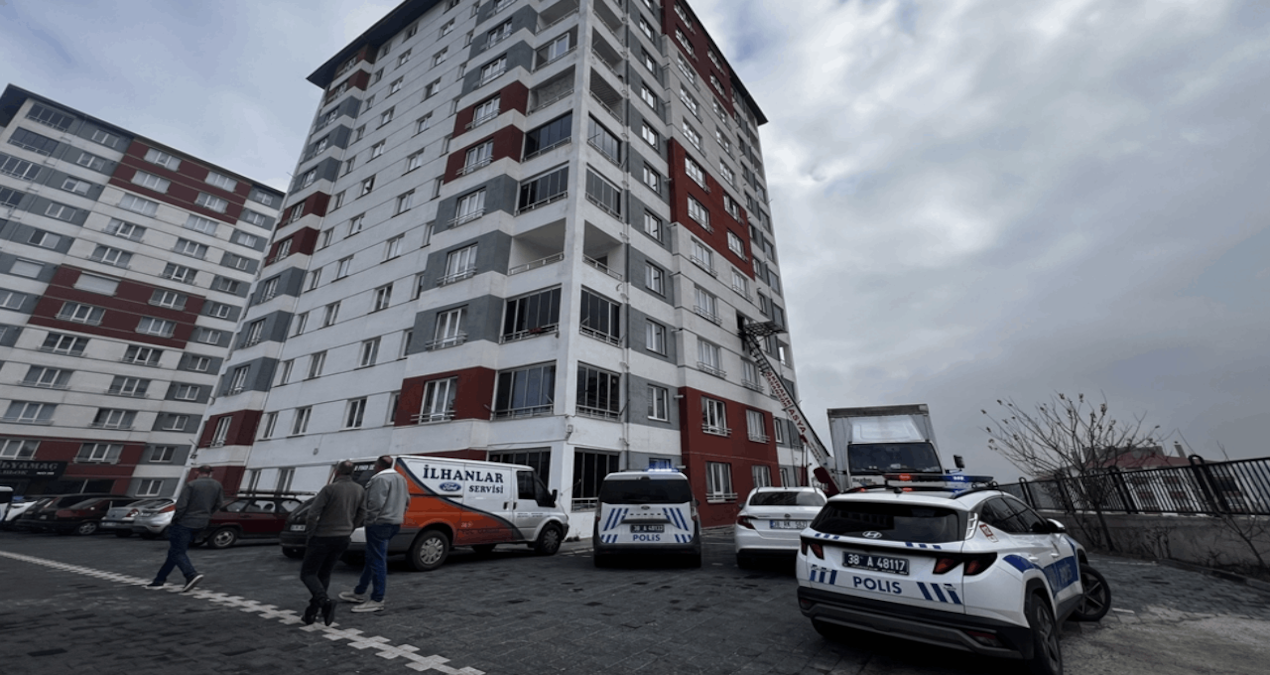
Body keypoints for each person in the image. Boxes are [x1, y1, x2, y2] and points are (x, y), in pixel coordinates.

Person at [340, 455, 408, 614]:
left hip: (379, 523)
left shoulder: (379, 479)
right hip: (394, 522)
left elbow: (375, 503)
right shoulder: (401, 479)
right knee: (373, 557)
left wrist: (369, 520)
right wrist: (398, 515)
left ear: (378, 466)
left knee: (377, 560)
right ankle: (359, 591)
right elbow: (407, 501)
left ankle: (377, 599)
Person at [302, 460, 365, 626]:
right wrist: (351, 527)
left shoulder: (329, 489)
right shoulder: (359, 489)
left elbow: (312, 513)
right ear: (352, 473)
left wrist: (311, 532)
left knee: (308, 573)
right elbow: (362, 512)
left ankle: (324, 602)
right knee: (325, 573)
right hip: (343, 537)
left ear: (337, 472)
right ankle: (312, 611)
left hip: (323, 535)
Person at [146, 465, 223, 592]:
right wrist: (207, 514)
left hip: (185, 522)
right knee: (175, 552)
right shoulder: (217, 485)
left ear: (197, 472)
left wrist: (175, 520)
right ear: (210, 473)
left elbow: (181, 505)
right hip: (202, 523)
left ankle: (191, 574)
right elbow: (219, 503)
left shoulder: (191, 485)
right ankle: (159, 580)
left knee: (177, 552)